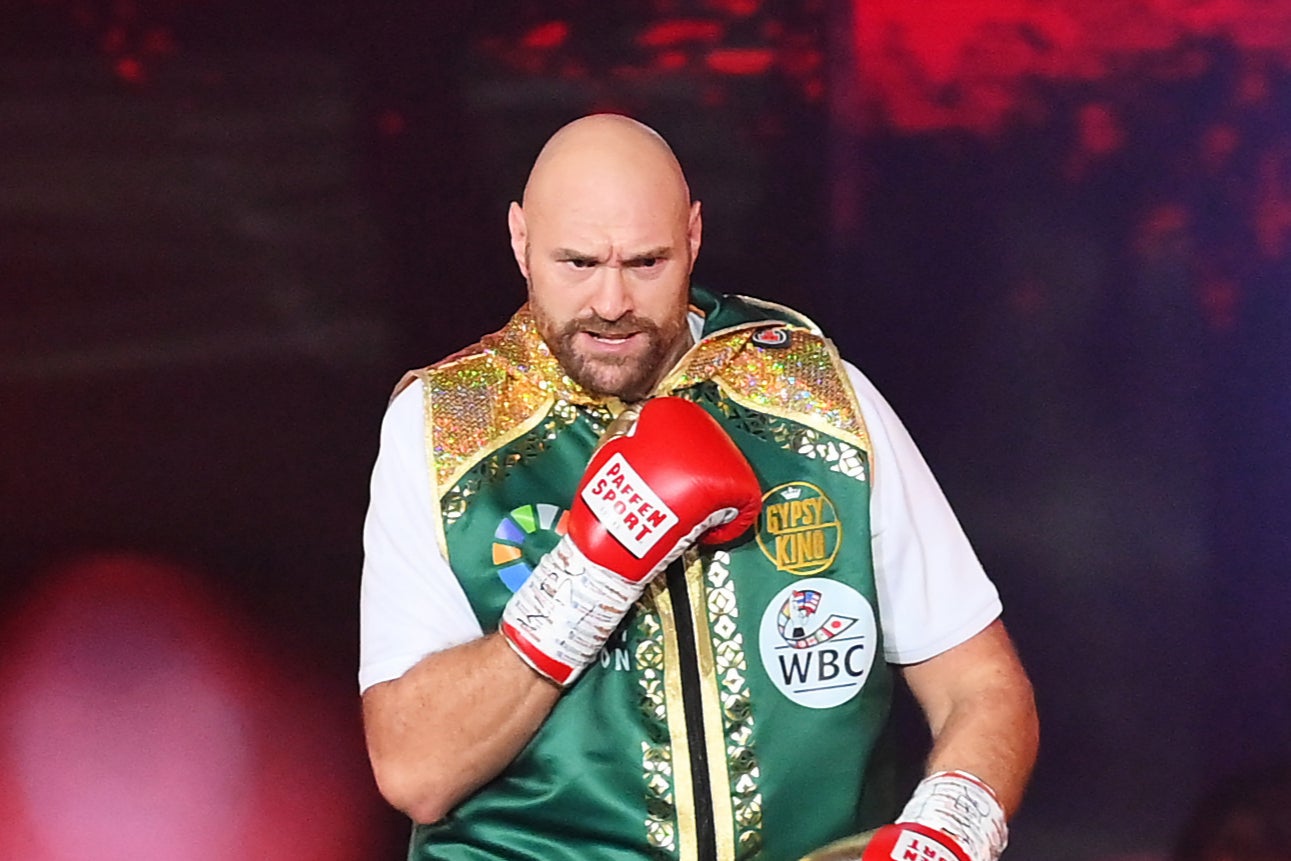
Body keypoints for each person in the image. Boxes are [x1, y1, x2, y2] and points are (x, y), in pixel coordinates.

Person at [358, 113, 1039, 861]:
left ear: (693, 235)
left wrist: (944, 832)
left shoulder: (816, 399)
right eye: (577, 263)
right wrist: (586, 578)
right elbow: (413, 769)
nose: (610, 302)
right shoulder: (446, 423)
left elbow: (981, 685)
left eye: (644, 262)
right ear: (520, 241)